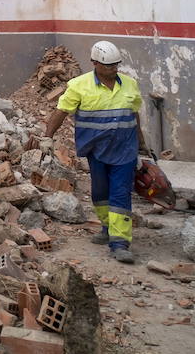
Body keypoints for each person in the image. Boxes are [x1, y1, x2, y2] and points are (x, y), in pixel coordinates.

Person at [41, 40, 150, 264]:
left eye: (116, 65)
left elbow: (134, 114)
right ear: (95, 63)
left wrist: (141, 142)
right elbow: (61, 111)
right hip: (95, 148)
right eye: (108, 65)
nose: (113, 69)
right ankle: (107, 227)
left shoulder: (130, 84)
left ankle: (120, 243)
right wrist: (47, 138)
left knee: (120, 191)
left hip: (124, 148)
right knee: (100, 191)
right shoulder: (79, 85)